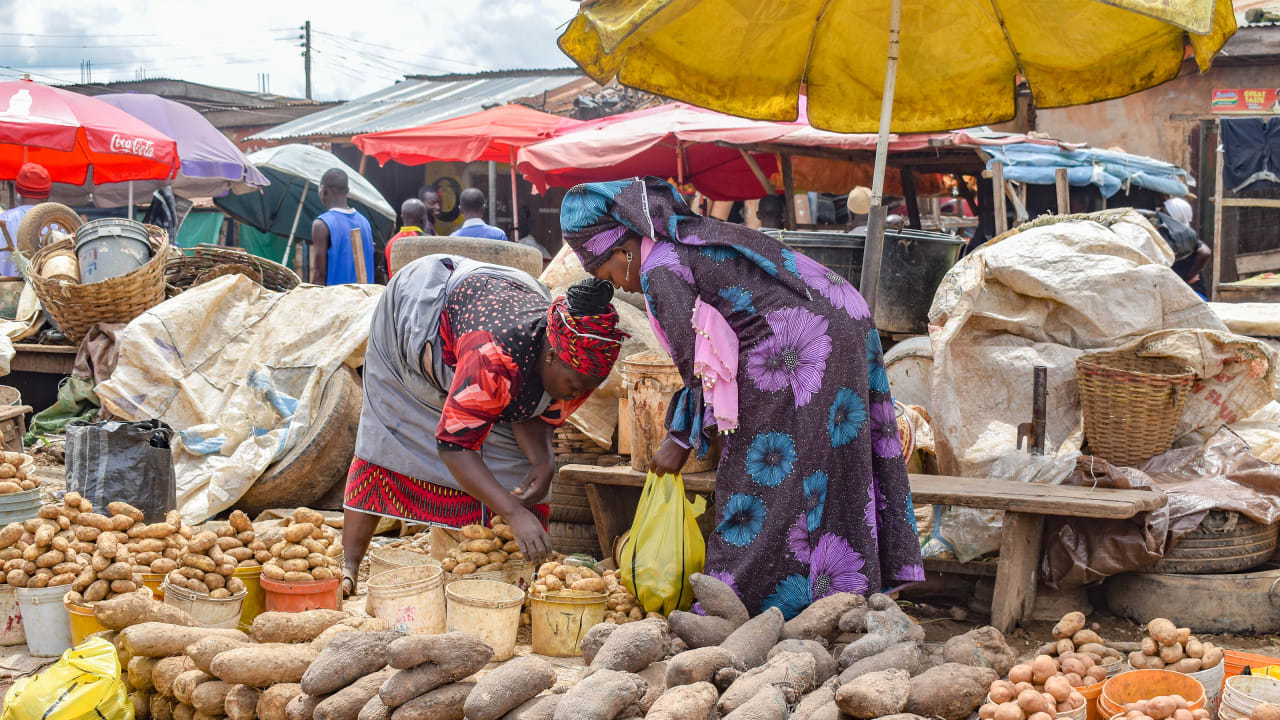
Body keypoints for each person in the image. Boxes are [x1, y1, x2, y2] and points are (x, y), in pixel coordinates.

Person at [560, 176, 924, 617]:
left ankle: (742, 603)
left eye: (611, 275)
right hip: (842, 317)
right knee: (830, 460)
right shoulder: (688, 238)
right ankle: (843, 592)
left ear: (624, 250)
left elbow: (697, 367)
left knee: (766, 469)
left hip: (799, 343)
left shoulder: (660, 269)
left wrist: (678, 439)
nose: (622, 286)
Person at [341, 259, 626, 595]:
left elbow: (532, 410)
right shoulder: (494, 358)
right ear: (550, 356)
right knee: (386, 442)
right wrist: (513, 513)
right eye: (574, 385)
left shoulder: (575, 367)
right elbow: (455, 446)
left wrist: (543, 461)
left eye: (587, 387)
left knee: (520, 470)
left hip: (499, 300)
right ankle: (349, 568)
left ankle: (521, 581)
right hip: (416, 316)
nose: (578, 394)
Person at [310, 168, 375, 285]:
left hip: (336, 300)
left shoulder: (322, 224)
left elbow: (320, 274)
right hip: (365, 299)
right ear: (347, 191)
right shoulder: (365, 223)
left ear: (323, 191)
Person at [0, 162, 51, 275]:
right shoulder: (60, 222)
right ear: (47, 193)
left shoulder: (3, 219)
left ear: (18, 190)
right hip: (47, 291)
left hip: (4, 290)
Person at [386, 198, 428, 273]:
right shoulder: (430, 242)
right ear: (423, 219)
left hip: (394, 284)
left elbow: (384, 271)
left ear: (402, 217)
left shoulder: (390, 243)